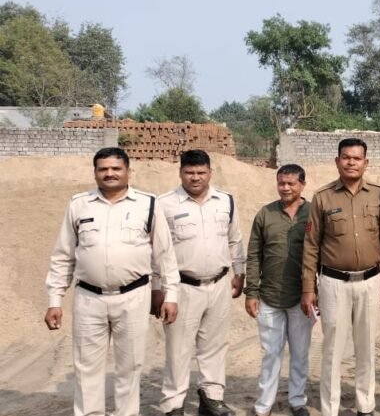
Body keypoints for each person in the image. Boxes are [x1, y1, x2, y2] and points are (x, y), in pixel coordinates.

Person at [44, 147, 180, 416]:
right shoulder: (78, 205)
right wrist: (54, 300)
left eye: (116, 168)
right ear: (95, 172)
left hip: (133, 297)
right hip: (88, 298)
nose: (109, 173)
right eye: (103, 169)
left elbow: (165, 255)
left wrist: (170, 295)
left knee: (130, 366)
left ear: (128, 171)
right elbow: (63, 255)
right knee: (86, 367)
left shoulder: (148, 204)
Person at [302, 138, 380, 416]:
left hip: (370, 282)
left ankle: (365, 406)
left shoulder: (377, 194)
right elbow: (311, 245)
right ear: (337, 161)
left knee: (366, 347)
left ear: (366, 162)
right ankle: (330, 408)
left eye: (357, 158)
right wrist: (309, 288)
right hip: (333, 284)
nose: (351, 162)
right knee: (332, 348)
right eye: (346, 157)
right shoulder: (323, 197)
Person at [157, 150, 245, 416]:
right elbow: (156, 251)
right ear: (180, 172)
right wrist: (158, 290)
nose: (195, 178)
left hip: (219, 284)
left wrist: (239, 272)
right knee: (178, 349)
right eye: (189, 172)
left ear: (210, 173)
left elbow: (235, 239)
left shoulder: (225, 201)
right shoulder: (164, 204)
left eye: (201, 172)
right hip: (182, 287)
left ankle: (212, 397)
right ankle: (174, 404)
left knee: (215, 345)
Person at [245, 164, 314, 416]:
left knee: (300, 353)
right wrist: (251, 292)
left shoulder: (313, 213)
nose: (285, 188)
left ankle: (297, 401)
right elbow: (254, 255)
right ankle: (264, 405)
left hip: (302, 297)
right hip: (269, 296)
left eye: (291, 183)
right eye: (281, 183)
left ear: (302, 185)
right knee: (271, 353)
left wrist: (315, 291)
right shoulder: (265, 214)